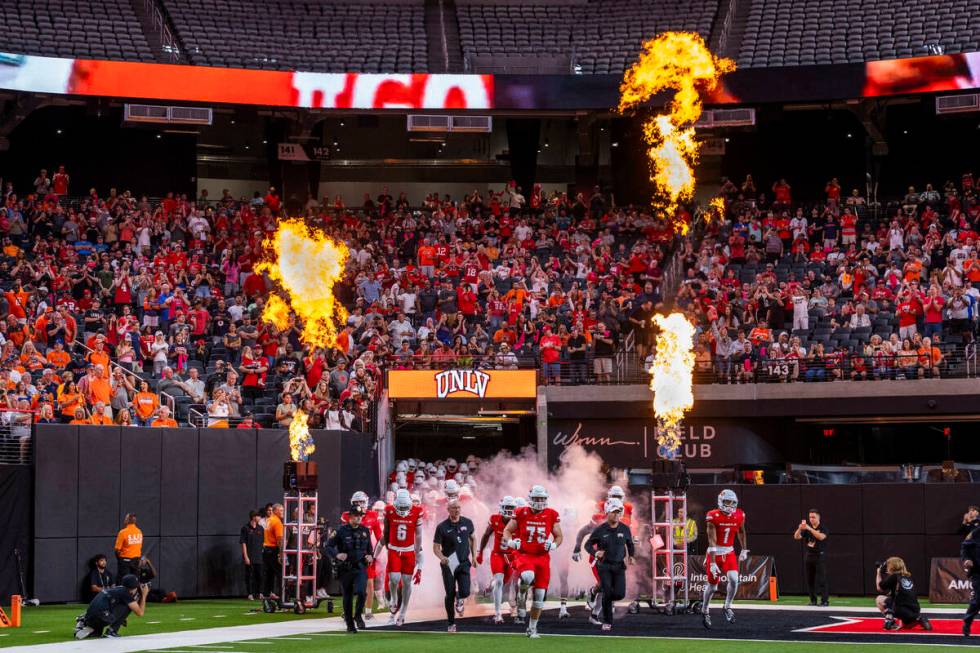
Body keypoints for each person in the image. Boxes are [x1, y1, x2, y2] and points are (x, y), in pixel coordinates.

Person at [502, 485, 562, 639]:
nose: (540, 501)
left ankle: (532, 629)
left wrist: (554, 544)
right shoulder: (521, 512)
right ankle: (522, 592)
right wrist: (511, 542)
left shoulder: (552, 514)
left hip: (542, 557)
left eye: (542, 498)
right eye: (537, 498)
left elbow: (559, 535)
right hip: (525, 554)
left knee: (540, 597)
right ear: (531, 499)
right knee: (527, 576)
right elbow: (507, 531)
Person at [584, 498, 635, 631]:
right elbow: (587, 544)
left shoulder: (625, 529)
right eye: (613, 512)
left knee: (619, 594)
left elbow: (630, 543)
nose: (616, 515)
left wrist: (632, 556)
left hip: (619, 566)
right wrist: (595, 553)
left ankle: (602, 598)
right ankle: (607, 621)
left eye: (618, 512)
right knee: (607, 591)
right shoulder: (600, 529)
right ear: (607, 513)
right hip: (604, 566)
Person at [701, 489, 748, 629]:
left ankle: (727, 606)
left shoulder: (739, 514)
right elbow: (712, 540)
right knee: (713, 586)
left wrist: (744, 548)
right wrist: (713, 562)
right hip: (714, 551)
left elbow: (741, 531)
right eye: (727, 502)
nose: (730, 505)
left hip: (729, 551)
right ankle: (705, 610)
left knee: (734, 579)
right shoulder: (712, 515)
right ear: (720, 501)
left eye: (733, 502)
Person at [376, 489, 423, 626]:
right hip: (395, 549)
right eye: (400, 507)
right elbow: (385, 532)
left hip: (409, 550)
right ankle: (394, 599)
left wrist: (417, 549)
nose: (402, 509)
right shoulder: (389, 510)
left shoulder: (417, 511)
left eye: (405, 506)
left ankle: (402, 613)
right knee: (394, 578)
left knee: (407, 582)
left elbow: (419, 535)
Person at [326, 503, 374, 633]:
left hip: (360, 567)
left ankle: (358, 615)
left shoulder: (365, 530)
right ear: (350, 517)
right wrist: (337, 555)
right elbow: (328, 546)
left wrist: (370, 556)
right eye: (356, 516)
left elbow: (370, 549)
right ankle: (349, 623)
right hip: (345, 568)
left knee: (362, 592)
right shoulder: (341, 530)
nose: (358, 518)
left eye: (360, 516)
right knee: (347, 596)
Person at [433, 500, 476, 633]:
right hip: (449, 562)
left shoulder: (467, 522)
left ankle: (460, 599)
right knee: (449, 593)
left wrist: (474, 556)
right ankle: (451, 623)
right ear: (448, 510)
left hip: (464, 561)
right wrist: (442, 558)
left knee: (466, 592)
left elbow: (473, 538)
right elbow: (435, 547)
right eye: (453, 508)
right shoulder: (442, 527)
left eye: (458, 507)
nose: (456, 510)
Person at [477, 495, 517, 624]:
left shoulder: (518, 522)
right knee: (499, 581)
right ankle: (498, 614)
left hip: (511, 557)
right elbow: (486, 535)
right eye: (508, 507)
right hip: (498, 555)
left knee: (503, 583)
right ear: (502, 508)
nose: (510, 510)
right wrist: (480, 552)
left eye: (512, 507)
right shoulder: (495, 519)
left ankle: (492, 585)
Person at [74, 574, 147, 639]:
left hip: (90, 615)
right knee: (128, 606)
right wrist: (144, 595)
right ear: (133, 587)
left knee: (97, 634)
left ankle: (84, 621)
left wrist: (121, 617)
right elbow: (140, 613)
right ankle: (111, 631)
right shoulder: (125, 593)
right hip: (101, 617)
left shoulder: (116, 589)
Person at [875, 557, 931, 631]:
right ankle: (918, 619)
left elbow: (879, 588)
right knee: (906, 626)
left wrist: (878, 572)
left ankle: (891, 622)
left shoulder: (894, 576)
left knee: (879, 599)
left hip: (901, 609)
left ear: (892, 566)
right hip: (915, 610)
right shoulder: (908, 577)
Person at [794, 508, 829, 606]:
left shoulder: (823, 528)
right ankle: (813, 600)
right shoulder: (806, 529)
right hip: (809, 556)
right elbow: (796, 537)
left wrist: (810, 529)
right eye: (810, 517)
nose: (811, 519)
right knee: (810, 580)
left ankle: (824, 601)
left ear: (818, 517)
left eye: (813, 517)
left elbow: (821, 537)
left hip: (819, 556)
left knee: (822, 579)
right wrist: (800, 528)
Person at [261, 503, 284, 600]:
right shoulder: (277, 522)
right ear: (275, 511)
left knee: (269, 574)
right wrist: (281, 553)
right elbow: (280, 540)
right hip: (273, 550)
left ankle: (267, 594)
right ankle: (282, 596)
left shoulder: (269, 520)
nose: (282, 512)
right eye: (281, 510)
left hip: (266, 550)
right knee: (280, 573)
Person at [240, 510, 264, 600]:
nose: (260, 518)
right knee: (249, 575)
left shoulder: (260, 528)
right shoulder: (245, 528)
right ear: (254, 517)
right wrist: (246, 556)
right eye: (258, 516)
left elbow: (262, 542)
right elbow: (243, 543)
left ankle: (259, 593)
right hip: (249, 556)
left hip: (259, 556)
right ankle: (250, 593)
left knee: (260, 575)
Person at [961, 522, 980, 636]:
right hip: (978, 572)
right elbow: (965, 547)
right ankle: (967, 622)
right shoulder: (975, 533)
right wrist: (966, 559)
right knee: (978, 599)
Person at [114, 513, 143, 580]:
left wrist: (120, 560)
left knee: (124, 582)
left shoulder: (123, 532)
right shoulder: (139, 532)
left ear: (127, 520)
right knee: (134, 581)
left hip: (125, 561)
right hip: (136, 561)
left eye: (125, 518)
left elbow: (117, 550)